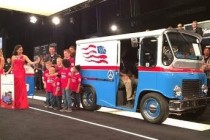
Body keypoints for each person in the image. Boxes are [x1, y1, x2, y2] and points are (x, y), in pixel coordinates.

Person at [6, 44, 37, 109]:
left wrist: (36, 61)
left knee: (21, 88)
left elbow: (30, 62)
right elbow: (12, 66)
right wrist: (7, 72)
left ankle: (21, 103)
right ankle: (15, 103)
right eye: (20, 49)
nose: (21, 50)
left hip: (21, 73)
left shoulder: (24, 56)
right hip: (15, 73)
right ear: (16, 50)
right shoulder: (13, 57)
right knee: (16, 88)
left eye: (22, 49)